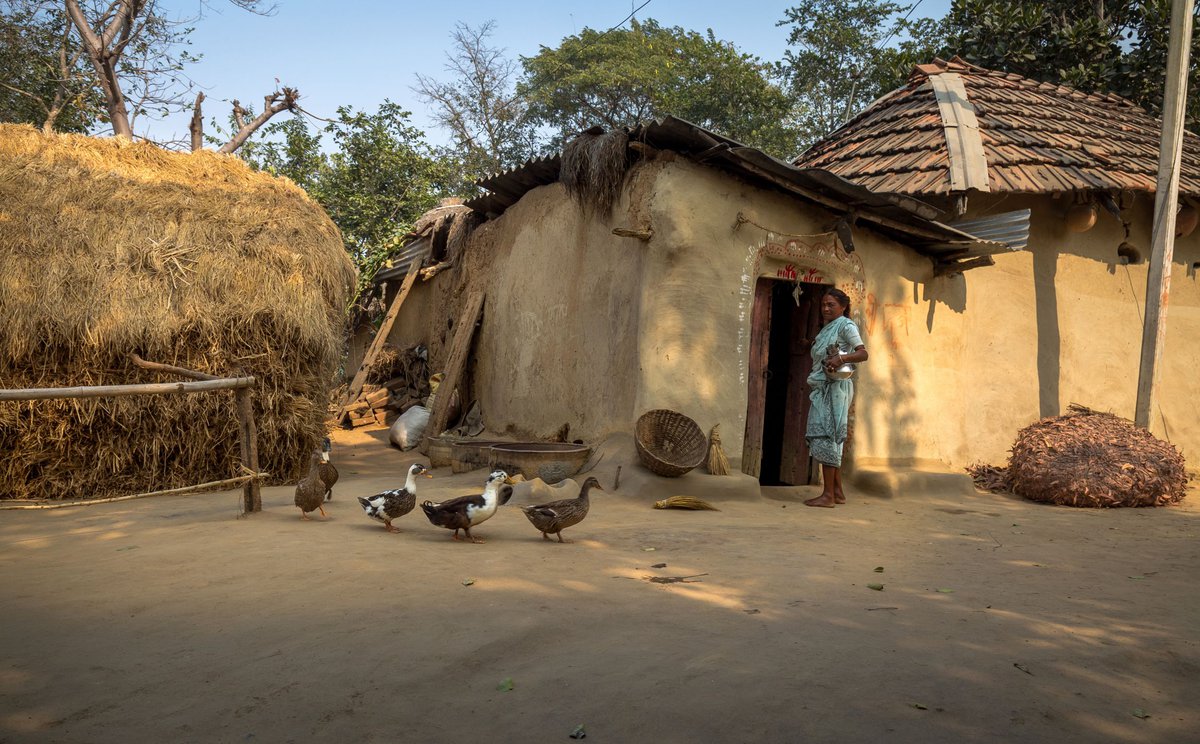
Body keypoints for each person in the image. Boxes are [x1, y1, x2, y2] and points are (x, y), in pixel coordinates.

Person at [804, 288, 868, 508]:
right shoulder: (825, 330)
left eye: (831, 304)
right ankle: (837, 492)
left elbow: (862, 353)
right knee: (826, 436)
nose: (826, 308)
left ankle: (828, 496)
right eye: (823, 304)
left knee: (827, 435)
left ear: (843, 306)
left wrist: (841, 359)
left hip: (835, 388)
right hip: (822, 389)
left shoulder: (846, 325)